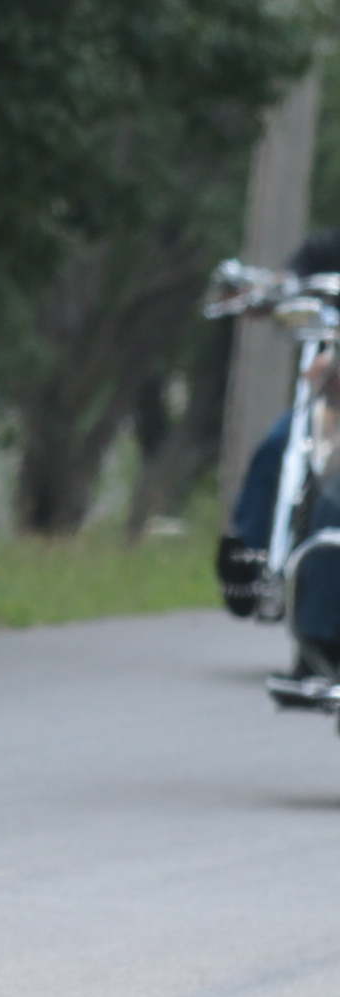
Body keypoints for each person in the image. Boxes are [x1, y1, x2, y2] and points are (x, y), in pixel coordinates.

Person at [220, 229, 340, 675]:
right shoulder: (329, 249)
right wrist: (263, 292)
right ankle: (249, 556)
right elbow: (287, 282)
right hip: (334, 407)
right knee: (283, 446)